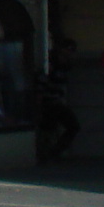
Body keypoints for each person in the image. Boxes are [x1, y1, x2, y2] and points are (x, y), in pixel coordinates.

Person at [35, 34, 81, 164]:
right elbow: (41, 84)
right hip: (48, 102)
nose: (71, 55)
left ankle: (53, 152)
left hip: (57, 102)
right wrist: (39, 105)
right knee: (49, 129)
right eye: (70, 51)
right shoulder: (51, 64)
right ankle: (47, 154)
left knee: (72, 126)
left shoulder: (65, 66)